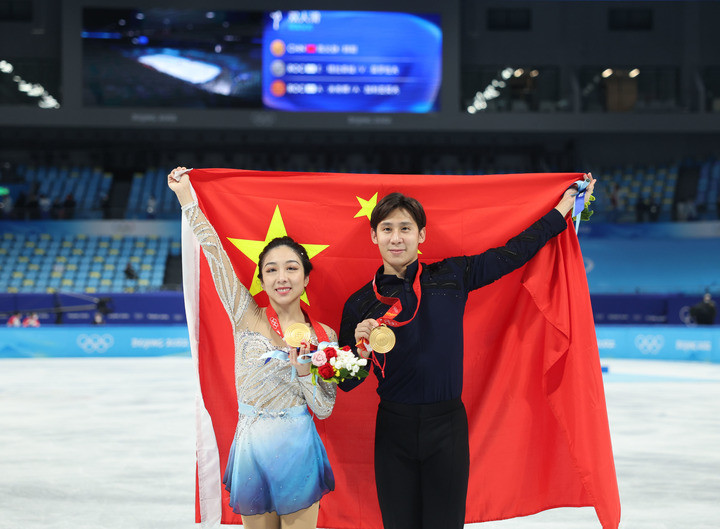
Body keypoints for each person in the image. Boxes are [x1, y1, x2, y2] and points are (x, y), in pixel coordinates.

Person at [338, 176, 595, 529]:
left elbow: (514, 252)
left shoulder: (452, 275)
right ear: (374, 236)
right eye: (387, 229)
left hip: (447, 428)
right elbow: (348, 384)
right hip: (393, 429)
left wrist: (563, 209)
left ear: (421, 235)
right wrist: (360, 349)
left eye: (405, 228)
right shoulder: (360, 303)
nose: (396, 238)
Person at [168, 166, 336, 529]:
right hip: (252, 447)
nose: (282, 277)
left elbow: (324, 409)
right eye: (272, 270)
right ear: (261, 279)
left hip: (298, 448)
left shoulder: (324, 335)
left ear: (306, 277)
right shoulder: (244, 314)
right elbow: (215, 254)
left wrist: (306, 373)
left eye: (291, 268)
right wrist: (186, 199)